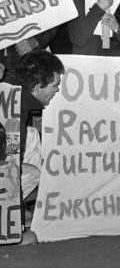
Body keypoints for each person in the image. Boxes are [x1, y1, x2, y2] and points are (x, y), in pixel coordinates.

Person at [15, 50, 65, 245]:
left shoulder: (18, 98)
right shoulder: (15, 111)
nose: (57, 90)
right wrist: (14, 230)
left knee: (33, 136)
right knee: (35, 173)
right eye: (54, 85)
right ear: (38, 86)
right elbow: (8, 169)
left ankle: (16, 213)